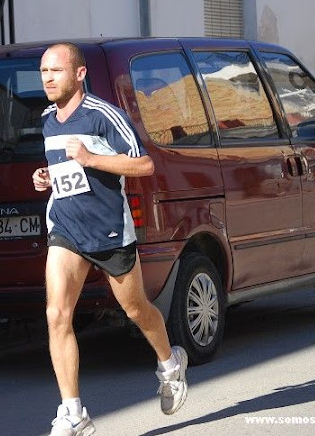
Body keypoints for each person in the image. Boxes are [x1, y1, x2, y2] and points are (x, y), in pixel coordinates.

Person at [32, 43, 188, 436]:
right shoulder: (48, 119)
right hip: (66, 228)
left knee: (135, 309)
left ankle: (170, 365)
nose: (48, 78)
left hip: (109, 231)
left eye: (56, 71)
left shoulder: (104, 116)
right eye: (44, 71)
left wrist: (91, 158)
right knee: (56, 314)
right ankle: (73, 413)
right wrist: (46, 177)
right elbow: (64, 170)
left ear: (79, 74)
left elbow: (145, 164)